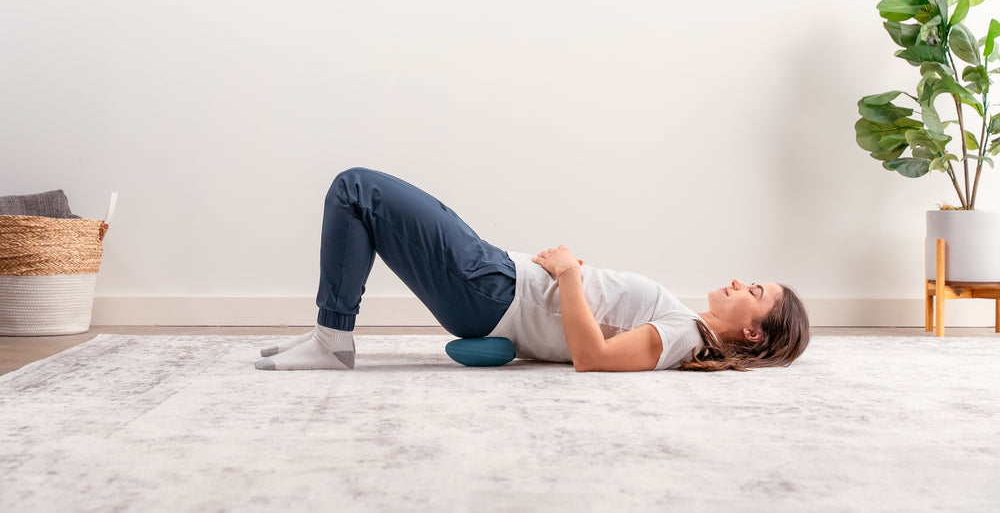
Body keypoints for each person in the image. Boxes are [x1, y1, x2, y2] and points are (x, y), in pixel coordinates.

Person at [255, 168, 809, 373]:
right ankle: (330, 333)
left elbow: (592, 359)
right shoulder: (685, 325)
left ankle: (333, 338)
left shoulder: (684, 334)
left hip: (491, 288)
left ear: (754, 329)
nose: (740, 281)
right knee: (365, 200)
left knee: (356, 188)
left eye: (754, 290)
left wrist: (569, 274)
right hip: (495, 283)